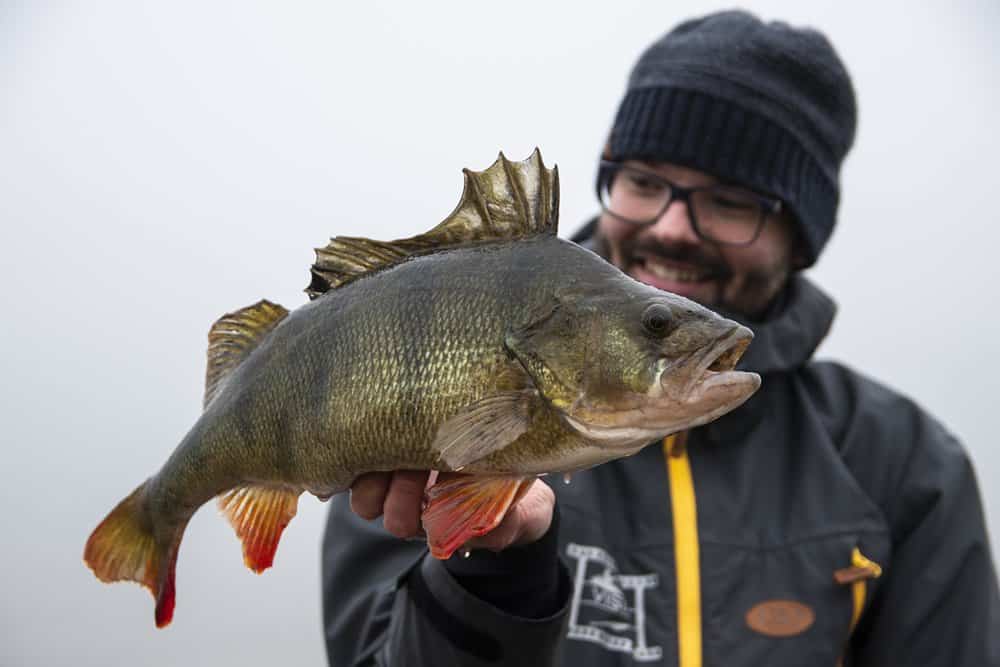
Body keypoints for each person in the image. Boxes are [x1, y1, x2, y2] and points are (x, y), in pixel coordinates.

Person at [321, 10, 1000, 666]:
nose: (673, 226)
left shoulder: (909, 467)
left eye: (729, 200)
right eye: (645, 182)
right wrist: (498, 573)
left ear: (802, 239)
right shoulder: (424, 385)